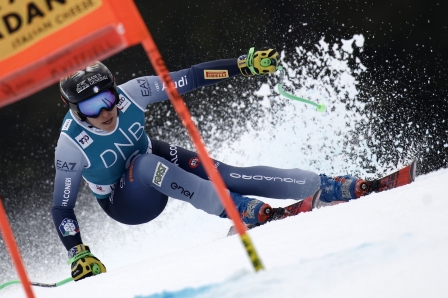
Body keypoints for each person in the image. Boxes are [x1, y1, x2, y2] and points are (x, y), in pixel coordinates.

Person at [51, 47, 371, 281]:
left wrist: (242, 65)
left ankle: (325, 185)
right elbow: (62, 208)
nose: (106, 111)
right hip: (127, 202)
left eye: (107, 98)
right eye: (92, 106)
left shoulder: (133, 93)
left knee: (228, 174)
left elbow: (189, 78)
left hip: (151, 158)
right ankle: (239, 208)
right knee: (147, 164)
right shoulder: (70, 145)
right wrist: (78, 252)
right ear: (75, 109)